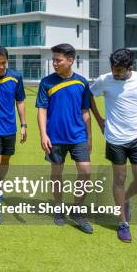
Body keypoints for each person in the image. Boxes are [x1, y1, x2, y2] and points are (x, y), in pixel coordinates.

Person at [90, 48, 137, 243]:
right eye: (113, 69)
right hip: (115, 139)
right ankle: (123, 223)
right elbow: (89, 96)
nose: (115, 73)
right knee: (120, 178)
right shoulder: (104, 80)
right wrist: (99, 119)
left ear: (130, 67)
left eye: (119, 70)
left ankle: (124, 199)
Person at [35, 43, 93, 234]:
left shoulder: (82, 83)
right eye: (53, 60)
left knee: (85, 173)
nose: (54, 63)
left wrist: (90, 137)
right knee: (56, 174)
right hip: (55, 138)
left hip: (78, 136)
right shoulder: (46, 82)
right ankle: (59, 208)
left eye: (58, 60)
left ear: (71, 60)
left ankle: (76, 210)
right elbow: (42, 110)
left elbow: (86, 111)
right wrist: (43, 134)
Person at [0, 45, 27, 225]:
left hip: (10, 128)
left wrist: (23, 124)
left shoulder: (16, 77)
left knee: (5, 162)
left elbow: (20, 101)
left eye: (3, 63)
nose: (0, 67)